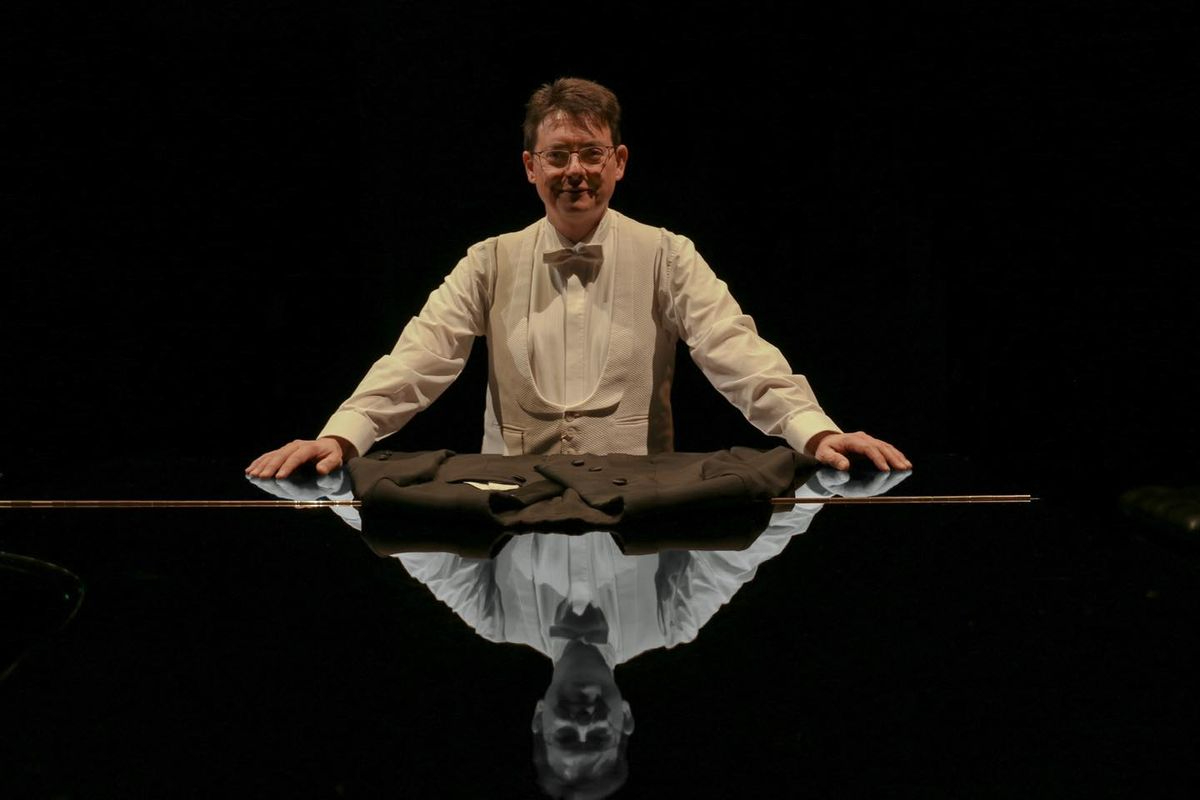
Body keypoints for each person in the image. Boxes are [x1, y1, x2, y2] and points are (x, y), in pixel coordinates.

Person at [246, 77, 910, 480]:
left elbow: (733, 348)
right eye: (558, 156)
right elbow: (421, 357)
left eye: (591, 154)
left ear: (619, 162)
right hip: (510, 512)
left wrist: (815, 431)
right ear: (530, 167)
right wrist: (340, 435)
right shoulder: (488, 260)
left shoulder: (667, 255)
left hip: (637, 513)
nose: (576, 172)